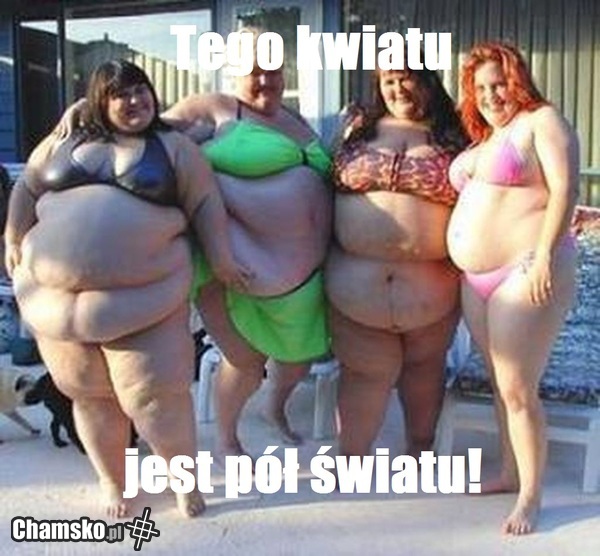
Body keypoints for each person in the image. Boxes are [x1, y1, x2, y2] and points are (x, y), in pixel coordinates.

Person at [4, 60, 249, 518]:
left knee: (157, 400)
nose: (135, 101)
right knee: (90, 397)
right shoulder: (65, 138)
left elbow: (204, 202)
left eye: (141, 90)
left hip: (145, 302)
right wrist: (14, 236)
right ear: (100, 100)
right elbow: (28, 188)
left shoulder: (174, 146)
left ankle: (184, 482)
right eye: (120, 94)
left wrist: (221, 257)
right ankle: (113, 482)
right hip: (53, 305)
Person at [161, 27, 332, 457]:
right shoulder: (215, 108)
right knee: (246, 361)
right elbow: (143, 131)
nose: (265, 80)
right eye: (254, 70)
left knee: (300, 355)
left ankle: (275, 409)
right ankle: (227, 438)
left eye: (273, 70)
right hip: (232, 268)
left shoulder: (297, 120)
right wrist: (89, 110)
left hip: (302, 274)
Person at [447, 42, 579, 535]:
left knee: (518, 388)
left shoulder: (542, 120)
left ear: (518, 80)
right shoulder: (487, 138)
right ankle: (508, 471)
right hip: (476, 280)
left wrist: (544, 255)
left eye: (499, 83)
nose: (490, 95)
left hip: (525, 268)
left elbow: (565, 189)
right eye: (480, 88)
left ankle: (531, 496)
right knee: (500, 384)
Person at [328, 60, 467, 461]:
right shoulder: (356, 128)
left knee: (424, 371)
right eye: (389, 81)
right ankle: (349, 459)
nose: (398, 89)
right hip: (355, 296)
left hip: (432, 297)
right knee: (362, 375)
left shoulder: (457, 133)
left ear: (427, 80)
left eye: (407, 79)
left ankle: (419, 452)